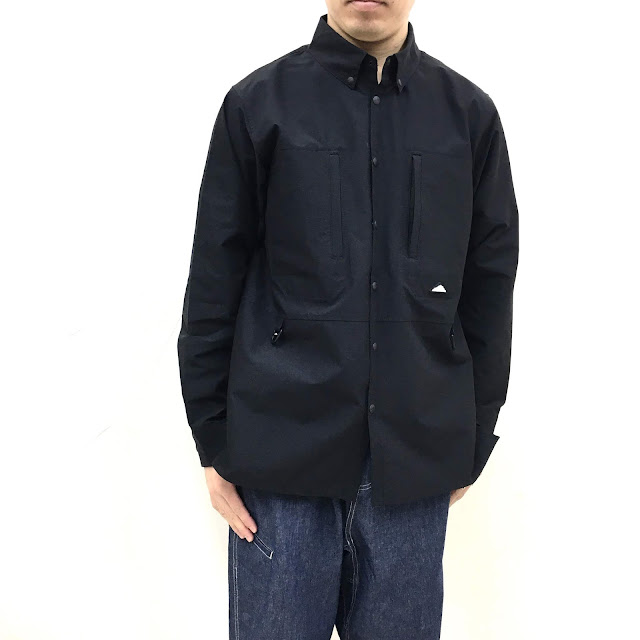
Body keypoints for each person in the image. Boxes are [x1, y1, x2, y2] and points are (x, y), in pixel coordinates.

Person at [177, 1, 519, 637]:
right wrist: (213, 438)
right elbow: (214, 277)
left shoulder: (468, 115)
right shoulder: (257, 105)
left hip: (413, 464)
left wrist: (475, 435)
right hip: (281, 460)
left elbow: (490, 285)